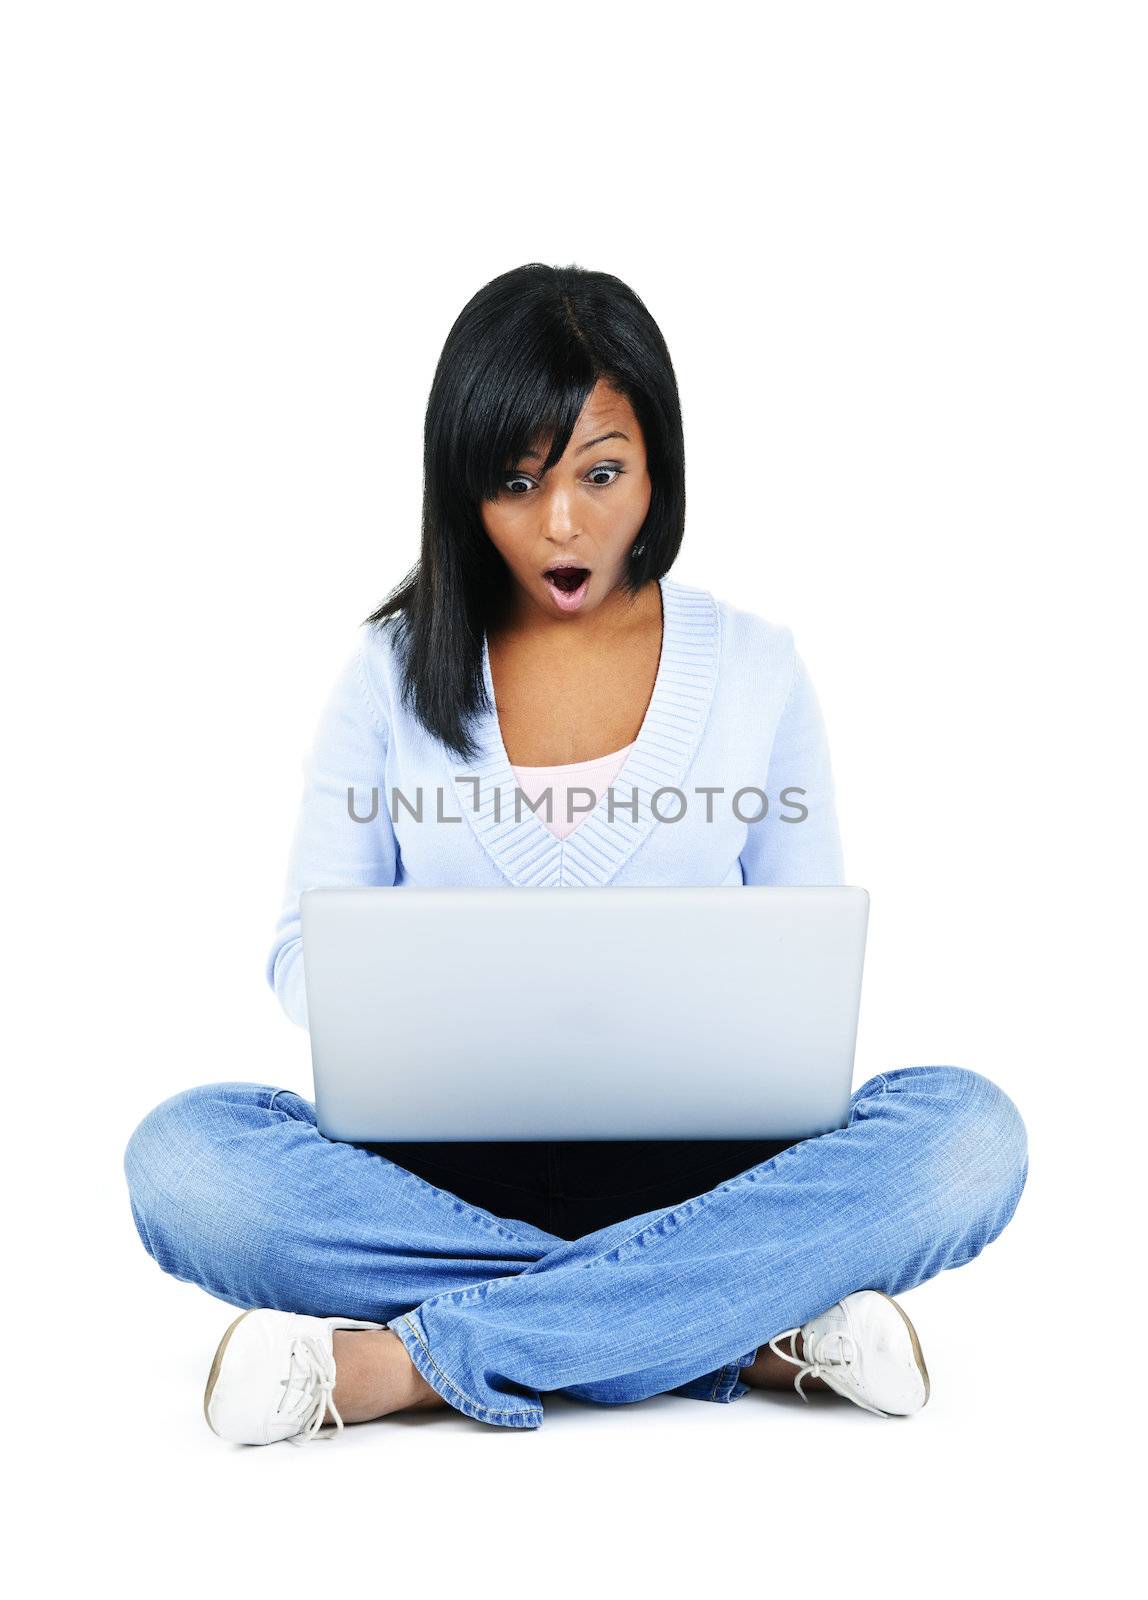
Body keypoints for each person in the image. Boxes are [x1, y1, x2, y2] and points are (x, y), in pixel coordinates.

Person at [124, 262, 1028, 1446]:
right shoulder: (387, 676)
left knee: (968, 1136)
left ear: (658, 471)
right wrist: (456, 987)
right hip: (428, 1184)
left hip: (718, 1177)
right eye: (515, 481)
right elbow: (306, 955)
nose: (562, 524)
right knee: (186, 1162)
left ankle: (402, 1363)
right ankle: (737, 1326)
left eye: (600, 473)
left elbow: (804, 964)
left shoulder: (756, 667)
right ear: (463, 490)